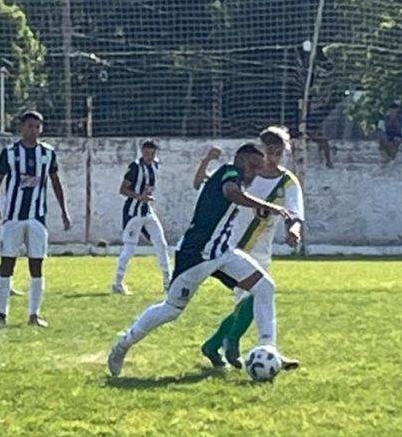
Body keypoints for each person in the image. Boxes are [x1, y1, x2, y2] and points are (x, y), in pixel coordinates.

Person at [107, 143, 294, 378]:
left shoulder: (232, 176)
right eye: (253, 167)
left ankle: (268, 348)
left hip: (222, 253)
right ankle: (123, 344)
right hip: (196, 256)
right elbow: (231, 192)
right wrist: (267, 206)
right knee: (171, 310)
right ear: (241, 160)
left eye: (259, 168)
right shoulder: (230, 172)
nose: (256, 173)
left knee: (265, 287)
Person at [200, 127, 304, 369]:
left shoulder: (288, 181)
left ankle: (216, 344)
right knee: (251, 299)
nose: (273, 158)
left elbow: (295, 213)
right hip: (232, 246)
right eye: (269, 152)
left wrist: (294, 230)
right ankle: (241, 344)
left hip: (262, 250)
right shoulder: (246, 174)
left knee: (253, 299)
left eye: (278, 153)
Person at [0, 111, 72, 327]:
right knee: (7, 264)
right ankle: (1, 314)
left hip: (37, 219)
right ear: (21, 127)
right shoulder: (9, 153)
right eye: (29, 126)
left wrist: (64, 211)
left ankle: (34, 315)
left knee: (36, 266)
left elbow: (56, 183)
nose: (33, 130)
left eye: (37, 127)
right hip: (13, 218)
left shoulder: (48, 153)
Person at [112, 140, 171, 295]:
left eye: (152, 153)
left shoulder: (155, 165)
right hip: (133, 212)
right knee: (129, 248)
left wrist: (147, 199)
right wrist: (140, 197)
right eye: (146, 153)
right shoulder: (135, 167)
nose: (149, 157)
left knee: (161, 243)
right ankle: (117, 283)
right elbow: (122, 190)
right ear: (142, 152)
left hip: (147, 211)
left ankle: (168, 281)